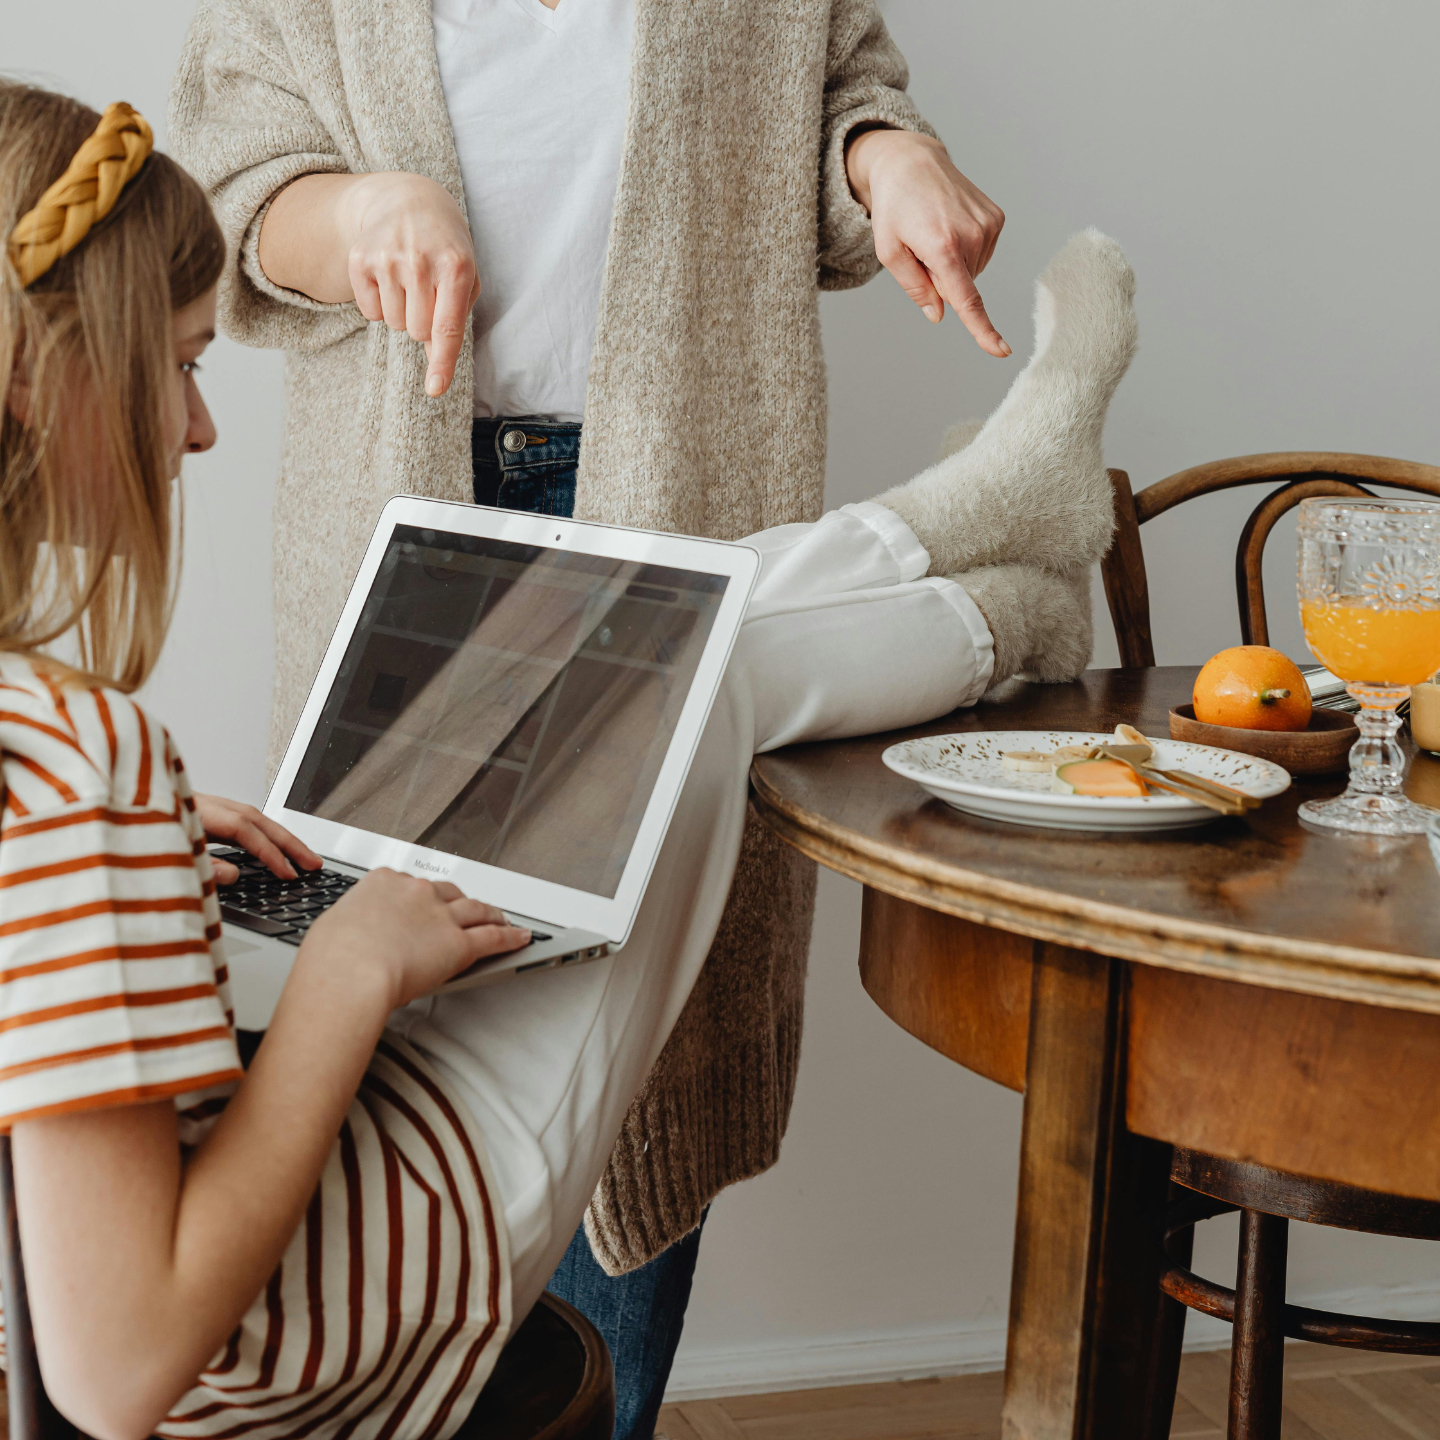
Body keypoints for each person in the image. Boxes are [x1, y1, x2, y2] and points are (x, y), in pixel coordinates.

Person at [0, 86, 1133, 1440]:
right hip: (316, 1319)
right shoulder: (83, 761)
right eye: (182, 365)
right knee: (685, 685)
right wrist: (345, 973)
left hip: (275, 1194)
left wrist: (148, 871)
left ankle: (1003, 554)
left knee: (599, 636)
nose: (198, 431)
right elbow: (119, 1373)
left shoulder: (50, 753)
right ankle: (1012, 582)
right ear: (41, 377)